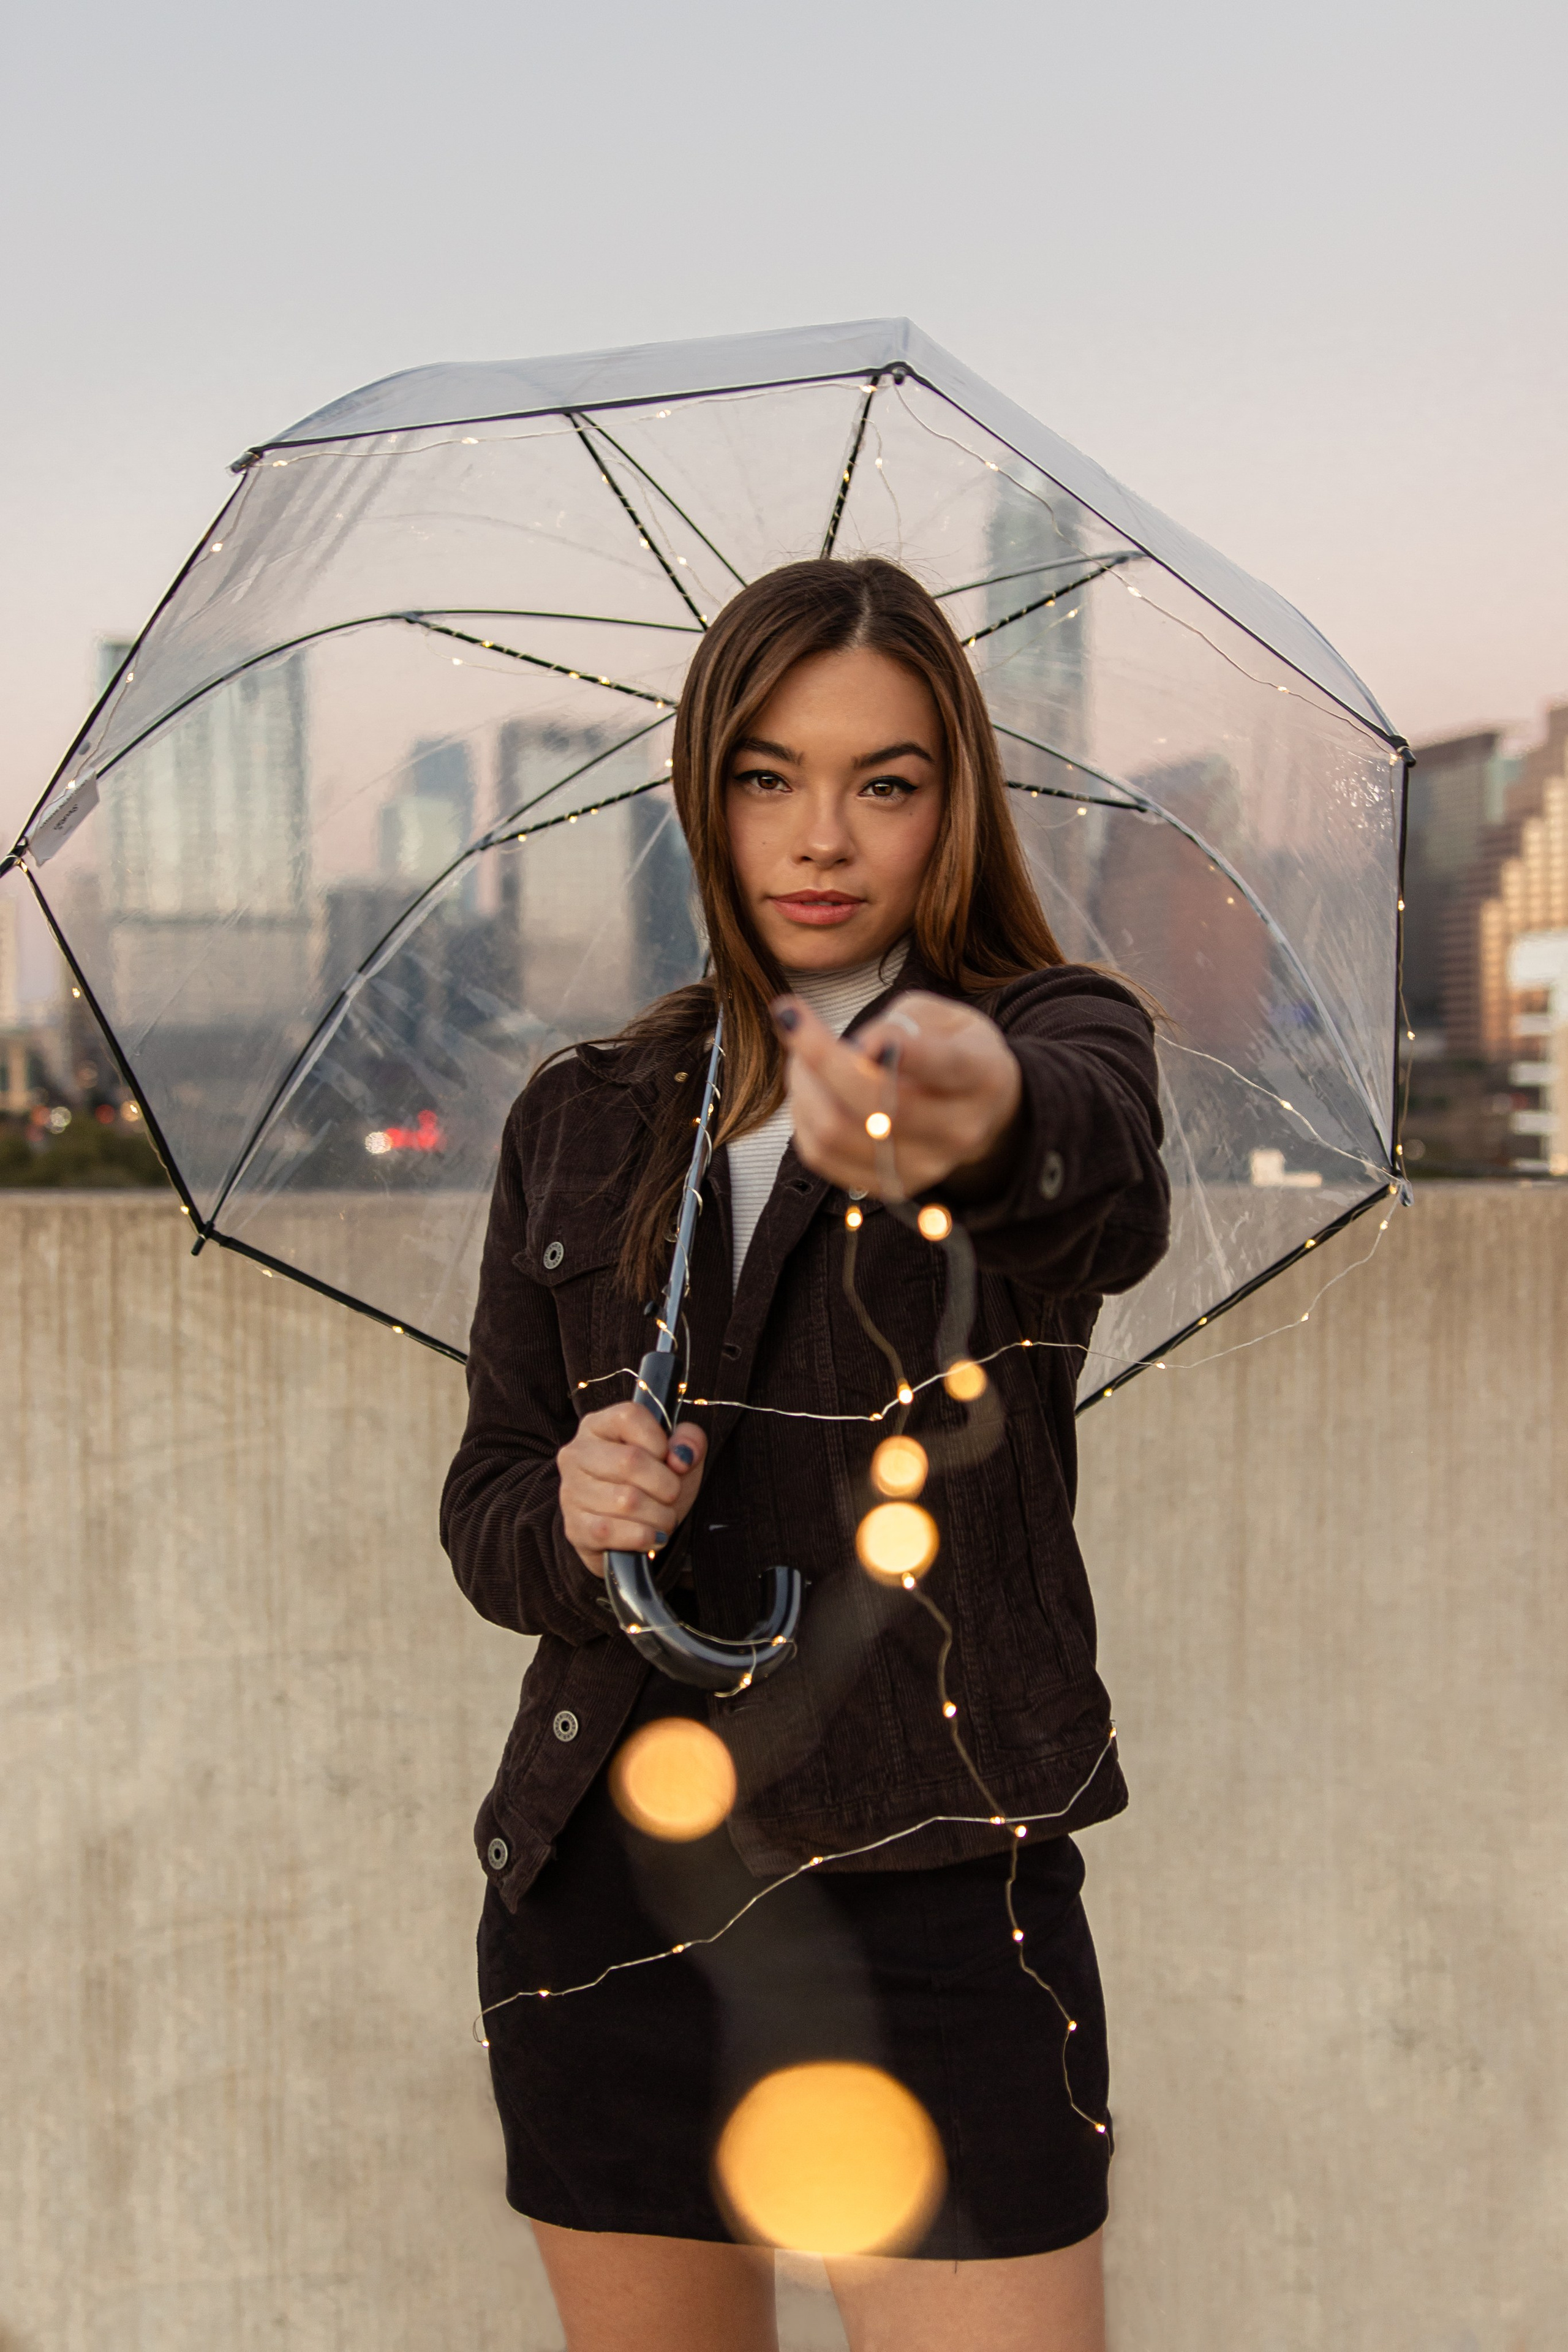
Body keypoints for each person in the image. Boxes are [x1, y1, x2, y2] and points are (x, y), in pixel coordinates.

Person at [442, 556, 1169, 2352]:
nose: (821, 834)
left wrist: (964, 1112)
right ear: (708, 794)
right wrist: (572, 1507)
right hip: (610, 1898)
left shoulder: (1041, 1043)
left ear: (953, 804)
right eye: (768, 776)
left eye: (886, 782)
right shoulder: (590, 1109)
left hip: (932, 1895)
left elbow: (1089, 1163)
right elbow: (486, 1507)